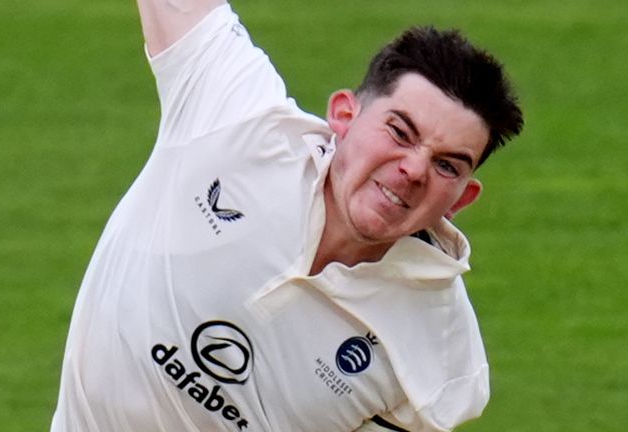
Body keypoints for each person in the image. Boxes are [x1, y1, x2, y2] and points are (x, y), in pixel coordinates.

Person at [50, 0, 523, 431]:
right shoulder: (234, 117)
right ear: (343, 114)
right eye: (400, 132)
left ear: (461, 199)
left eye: (447, 165)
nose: (415, 169)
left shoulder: (439, 357)